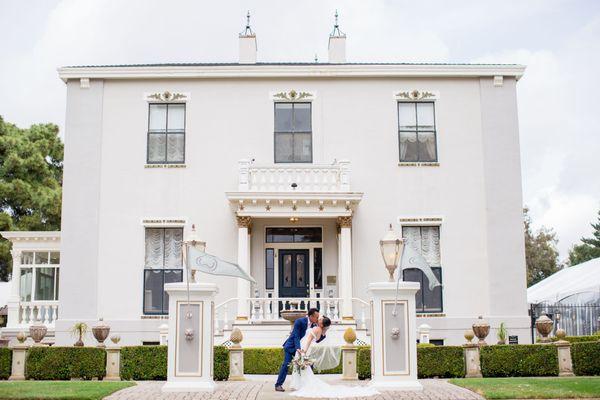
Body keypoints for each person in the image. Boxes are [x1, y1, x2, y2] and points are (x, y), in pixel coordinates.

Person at [289, 316, 379, 398]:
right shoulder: (322, 330)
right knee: (302, 367)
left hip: (304, 347)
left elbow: (308, 340)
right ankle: (300, 384)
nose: (318, 319)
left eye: (320, 319)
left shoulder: (317, 329)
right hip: (306, 348)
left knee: (302, 366)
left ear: (321, 324)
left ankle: (301, 384)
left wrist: (304, 350)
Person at [275, 308, 325, 392]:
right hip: (291, 347)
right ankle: (278, 385)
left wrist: (324, 331)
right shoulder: (299, 321)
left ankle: (308, 385)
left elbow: (316, 339)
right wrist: (297, 348)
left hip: (304, 349)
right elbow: (296, 336)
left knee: (308, 365)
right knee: (286, 364)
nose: (317, 319)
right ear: (311, 316)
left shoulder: (315, 325)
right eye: (316, 317)